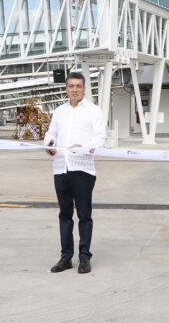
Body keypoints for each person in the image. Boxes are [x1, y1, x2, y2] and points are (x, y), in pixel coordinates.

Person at [44, 72, 105, 274]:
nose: (75, 89)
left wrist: (84, 147)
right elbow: (51, 134)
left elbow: (100, 138)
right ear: (66, 88)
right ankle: (66, 257)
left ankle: (84, 257)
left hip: (83, 169)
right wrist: (49, 145)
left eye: (78, 86)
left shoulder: (94, 111)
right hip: (61, 168)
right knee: (64, 214)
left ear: (84, 88)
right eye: (71, 86)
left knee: (84, 214)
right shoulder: (59, 112)